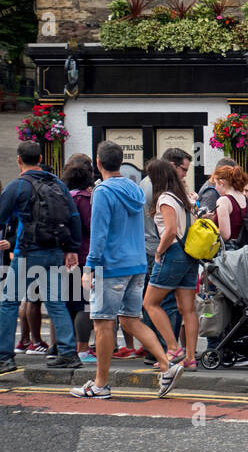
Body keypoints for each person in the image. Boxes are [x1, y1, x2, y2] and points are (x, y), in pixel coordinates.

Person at [72, 141, 182, 399]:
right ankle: (167, 366)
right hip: (137, 263)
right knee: (131, 320)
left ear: (98, 164)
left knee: (102, 324)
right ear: (120, 162)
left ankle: (100, 384)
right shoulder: (134, 188)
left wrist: (89, 268)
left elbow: (99, 233)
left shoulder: (102, 192)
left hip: (111, 266)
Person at [0, 140, 83, 370]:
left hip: (27, 252)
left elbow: (1, 216)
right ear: (39, 159)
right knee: (56, 303)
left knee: (9, 303)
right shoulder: (57, 183)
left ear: (19, 160)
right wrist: (71, 249)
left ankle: (4, 357)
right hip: (56, 251)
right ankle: (68, 353)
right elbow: (73, 217)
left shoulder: (17, 186)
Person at [141, 157, 200, 369]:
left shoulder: (165, 198)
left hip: (172, 253)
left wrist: (158, 251)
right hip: (190, 254)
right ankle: (190, 358)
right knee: (188, 309)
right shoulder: (183, 197)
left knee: (149, 303)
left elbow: (171, 230)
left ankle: (173, 348)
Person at [62, 155, 96, 364]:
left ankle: (65, 346)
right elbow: (93, 227)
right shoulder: (83, 199)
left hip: (65, 256)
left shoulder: (64, 195)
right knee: (85, 305)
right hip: (84, 256)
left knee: (68, 304)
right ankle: (83, 348)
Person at [213, 164, 248, 248]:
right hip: (246, 251)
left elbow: (225, 235)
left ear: (221, 183)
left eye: (216, 184)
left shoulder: (223, 200)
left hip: (230, 251)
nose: (215, 188)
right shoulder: (245, 200)